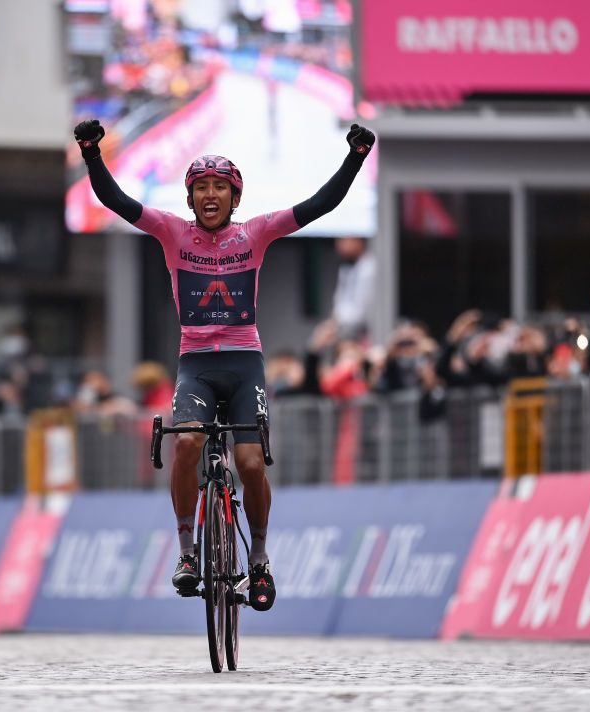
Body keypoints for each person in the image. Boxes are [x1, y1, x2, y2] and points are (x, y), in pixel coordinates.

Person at [73, 116, 375, 611]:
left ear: (235, 198)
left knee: (251, 461)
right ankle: (188, 551)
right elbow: (116, 202)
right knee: (188, 440)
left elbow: (321, 205)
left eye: (220, 188)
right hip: (195, 363)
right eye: (201, 188)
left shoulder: (255, 235)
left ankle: (258, 557)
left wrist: (355, 158)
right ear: (190, 199)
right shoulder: (172, 233)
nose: (210, 195)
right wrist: (90, 152)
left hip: (244, 364)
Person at [331, 236, 375, 340]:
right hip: (345, 328)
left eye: (344, 240)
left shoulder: (369, 267)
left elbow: (361, 307)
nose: (339, 245)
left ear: (358, 241)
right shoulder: (347, 267)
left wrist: (339, 322)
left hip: (364, 330)